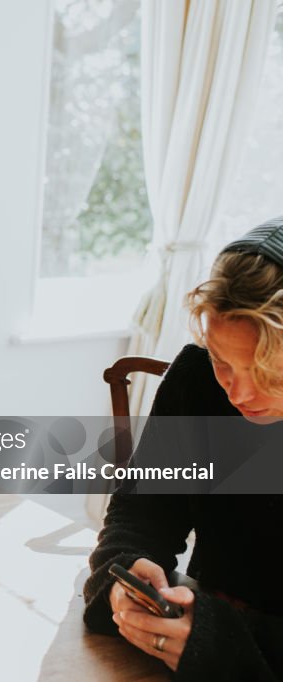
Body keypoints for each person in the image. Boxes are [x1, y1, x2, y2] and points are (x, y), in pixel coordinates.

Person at [83, 216, 283, 679]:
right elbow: (141, 513)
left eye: (268, 371)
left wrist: (224, 643)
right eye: (222, 361)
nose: (239, 393)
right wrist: (126, 572)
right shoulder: (195, 380)